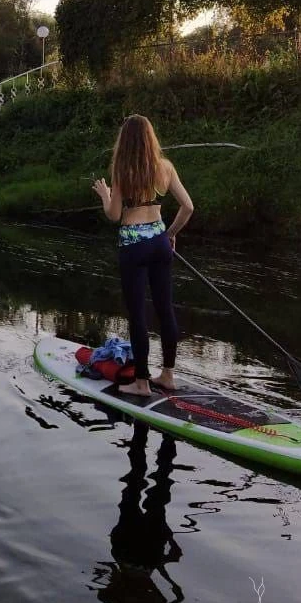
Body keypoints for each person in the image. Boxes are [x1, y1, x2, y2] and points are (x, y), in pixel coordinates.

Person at [91, 115, 194, 396]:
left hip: (133, 246)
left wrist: (105, 194)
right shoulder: (166, 168)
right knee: (165, 309)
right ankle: (168, 375)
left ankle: (141, 383)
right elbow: (188, 207)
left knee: (138, 316)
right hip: (160, 243)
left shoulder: (122, 170)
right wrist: (170, 234)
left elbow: (114, 216)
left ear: (125, 141)